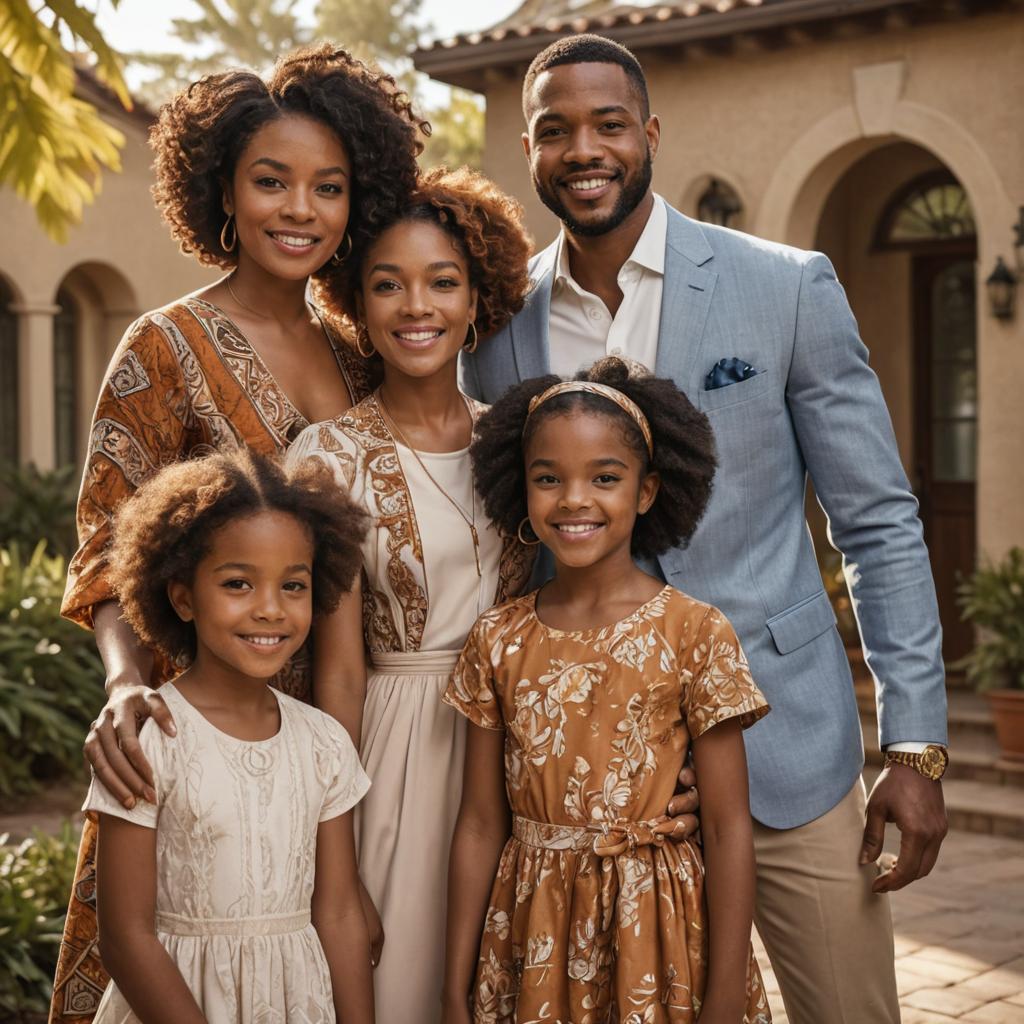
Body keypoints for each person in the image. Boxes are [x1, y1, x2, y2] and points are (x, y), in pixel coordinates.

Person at [460, 33, 949, 1023]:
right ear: (528, 149)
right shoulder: (498, 325)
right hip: (587, 790)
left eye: (607, 125)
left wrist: (916, 745)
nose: (583, 149)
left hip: (781, 757)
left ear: (647, 132)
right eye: (556, 131)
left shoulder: (783, 285)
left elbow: (877, 521)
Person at [53, 44, 424, 1022]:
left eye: (328, 187)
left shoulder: (362, 357)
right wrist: (128, 686)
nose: (300, 209)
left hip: (345, 746)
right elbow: (102, 541)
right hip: (202, 748)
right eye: (272, 181)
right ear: (222, 190)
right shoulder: (162, 346)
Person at [442, 358, 772, 1024]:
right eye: (548, 479)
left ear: (647, 492)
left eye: (605, 478)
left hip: (660, 932)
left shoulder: (695, 632)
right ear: (521, 490)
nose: (574, 500)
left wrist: (728, 990)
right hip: (534, 930)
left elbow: (729, 824)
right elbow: (480, 823)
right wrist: (455, 987)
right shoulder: (498, 640)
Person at [286, 167, 534, 1022]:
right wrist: (339, 860)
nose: (414, 305)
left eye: (442, 282)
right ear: (357, 304)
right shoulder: (328, 456)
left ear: (478, 299)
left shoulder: (521, 440)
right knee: (399, 988)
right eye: (387, 284)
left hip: (513, 750)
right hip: (391, 758)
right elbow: (340, 673)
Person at [83, 448, 372, 1023]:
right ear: (183, 597)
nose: (270, 610)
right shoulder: (147, 737)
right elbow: (124, 937)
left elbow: (338, 912)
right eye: (238, 584)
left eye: (294, 586)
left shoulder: (324, 744)